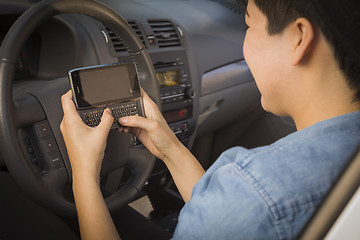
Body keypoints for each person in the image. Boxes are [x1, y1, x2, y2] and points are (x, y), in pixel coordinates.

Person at [60, 0, 360, 239]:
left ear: (298, 38)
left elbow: (247, 201)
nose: (245, 39)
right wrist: (171, 150)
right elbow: (231, 207)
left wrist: (84, 173)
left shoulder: (251, 188)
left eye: (248, 25)